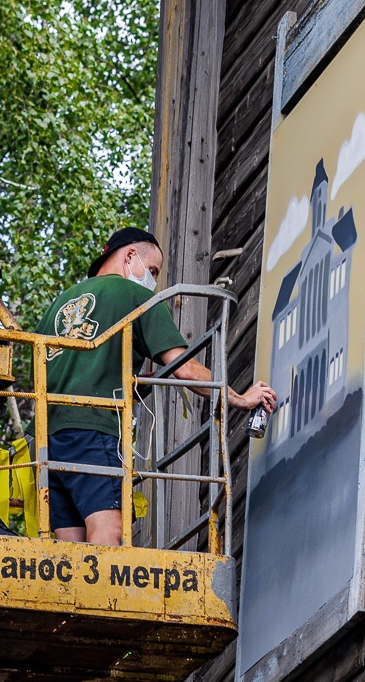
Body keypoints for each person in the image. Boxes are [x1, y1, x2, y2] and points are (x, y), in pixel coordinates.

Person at [36, 227, 276, 545]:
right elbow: (186, 368)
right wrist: (240, 398)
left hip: (46, 438)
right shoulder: (136, 297)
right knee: (110, 531)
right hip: (94, 429)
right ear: (130, 256)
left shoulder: (58, 305)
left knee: (72, 546)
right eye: (152, 271)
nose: (153, 280)